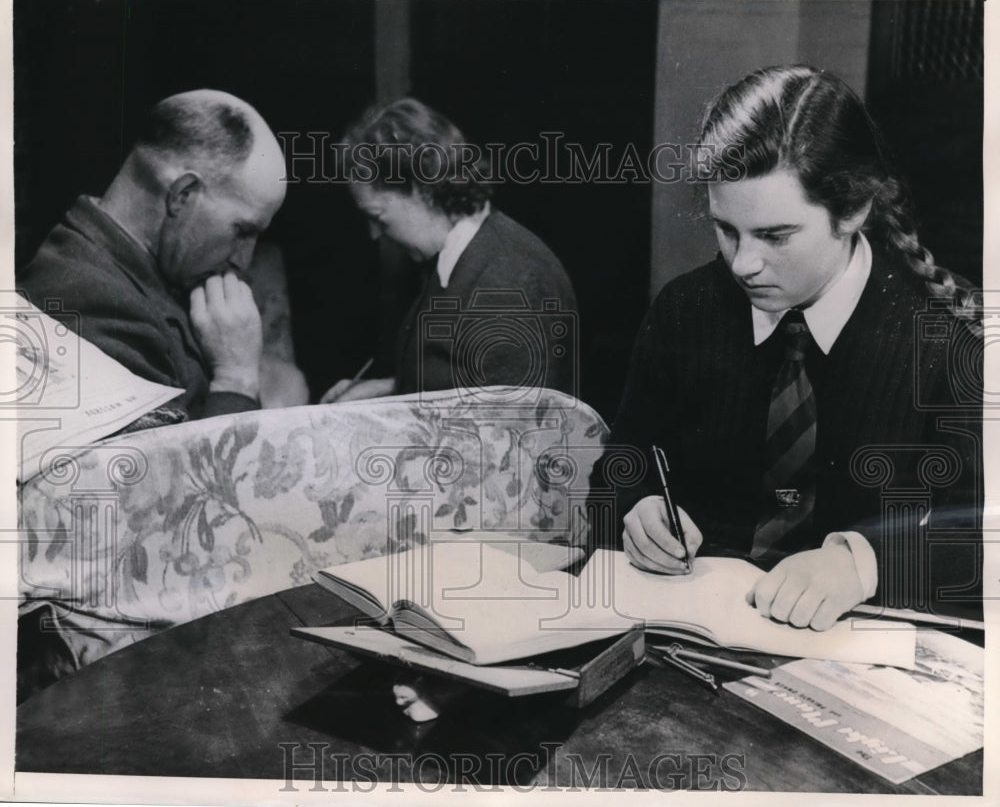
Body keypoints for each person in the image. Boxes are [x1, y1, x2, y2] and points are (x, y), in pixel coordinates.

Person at [593, 65, 982, 630]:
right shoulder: (687, 309)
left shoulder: (952, 341)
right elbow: (621, 464)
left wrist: (864, 564)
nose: (743, 264)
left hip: (867, 656)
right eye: (725, 229)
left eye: (775, 235)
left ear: (853, 210)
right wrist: (638, 507)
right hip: (696, 641)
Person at [18, 89, 288, 421]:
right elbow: (172, 472)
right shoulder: (94, 303)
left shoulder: (137, 273)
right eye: (242, 231)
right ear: (183, 195)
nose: (243, 260)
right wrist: (236, 379)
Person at [322, 98, 578, 403]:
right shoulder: (460, 257)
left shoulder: (510, 280)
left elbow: (506, 436)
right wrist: (389, 390)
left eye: (378, 217)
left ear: (421, 188)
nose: (375, 234)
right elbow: (462, 384)